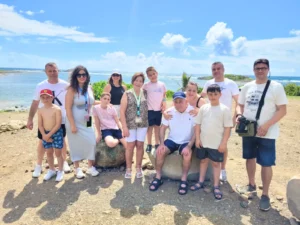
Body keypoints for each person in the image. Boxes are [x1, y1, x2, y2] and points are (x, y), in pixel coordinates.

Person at [236, 59, 287, 211]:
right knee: (249, 158)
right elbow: (240, 104)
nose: (260, 71)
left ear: (268, 69)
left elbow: (282, 110)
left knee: (266, 163)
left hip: (268, 132)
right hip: (249, 130)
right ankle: (251, 185)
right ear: (253, 70)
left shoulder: (276, 87)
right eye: (257, 68)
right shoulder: (247, 87)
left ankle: (265, 194)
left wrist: (266, 126)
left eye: (263, 68)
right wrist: (239, 115)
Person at [27, 62, 71, 178]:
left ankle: (64, 162)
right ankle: (38, 165)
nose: (52, 73)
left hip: (61, 118)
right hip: (45, 119)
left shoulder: (65, 85)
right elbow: (35, 102)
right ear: (46, 72)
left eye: (54, 70)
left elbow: (71, 101)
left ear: (58, 70)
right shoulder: (40, 85)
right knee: (42, 141)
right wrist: (30, 119)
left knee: (62, 140)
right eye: (50, 71)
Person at [149, 92, 195, 195]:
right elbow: (162, 129)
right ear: (173, 102)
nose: (178, 104)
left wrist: (189, 146)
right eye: (176, 102)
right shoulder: (169, 112)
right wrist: (161, 143)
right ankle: (158, 177)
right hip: (172, 140)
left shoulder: (192, 112)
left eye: (181, 101)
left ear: (186, 101)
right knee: (160, 152)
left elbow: (197, 131)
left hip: (186, 141)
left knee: (187, 154)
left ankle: (183, 180)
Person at [201, 62, 239, 182]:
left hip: (224, 119)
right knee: (208, 142)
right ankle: (210, 168)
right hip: (209, 118)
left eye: (218, 69)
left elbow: (238, 102)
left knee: (223, 145)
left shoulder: (231, 84)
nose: (216, 71)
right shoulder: (209, 83)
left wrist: (234, 118)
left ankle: (222, 169)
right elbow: (201, 97)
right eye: (214, 69)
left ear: (223, 69)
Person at [193, 84, 232, 200]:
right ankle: (200, 182)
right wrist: (198, 139)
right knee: (203, 161)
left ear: (220, 94)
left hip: (217, 143)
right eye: (210, 94)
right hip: (203, 142)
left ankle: (216, 185)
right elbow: (198, 124)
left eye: (215, 94)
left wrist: (224, 143)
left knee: (216, 164)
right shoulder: (204, 108)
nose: (213, 96)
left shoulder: (225, 109)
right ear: (207, 95)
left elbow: (227, 128)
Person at [65, 65, 99, 179]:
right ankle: (77, 168)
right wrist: (73, 125)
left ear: (87, 76)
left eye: (84, 74)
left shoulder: (89, 88)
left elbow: (91, 102)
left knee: (92, 142)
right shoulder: (71, 89)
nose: (81, 77)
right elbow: (68, 108)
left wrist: (105, 103)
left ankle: (90, 167)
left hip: (87, 120)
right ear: (75, 76)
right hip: (73, 122)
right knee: (75, 144)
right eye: (79, 75)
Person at [120, 72, 148, 179]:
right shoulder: (127, 94)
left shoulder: (145, 93)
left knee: (140, 145)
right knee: (130, 146)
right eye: (136, 80)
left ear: (142, 83)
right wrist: (124, 127)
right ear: (133, 81)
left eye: (140, 81)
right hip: (130, 124)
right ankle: (128, 169)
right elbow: (122, 112)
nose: (138, 82)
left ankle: (138, 168)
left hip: (143, 124)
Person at [38, 89, 64, 182]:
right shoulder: (40, 110)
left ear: (52, 97)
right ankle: (52, 170)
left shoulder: (57, 109)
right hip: (45, 133)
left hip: (56, 133)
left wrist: (49, 134)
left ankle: (60, 170)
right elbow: (40, 124)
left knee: (58, 153)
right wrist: (44, 135)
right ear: (41, 98)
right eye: (43, 97)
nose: (45, 99)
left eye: (48, 97)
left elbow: (58, 124)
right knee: (49, 153)